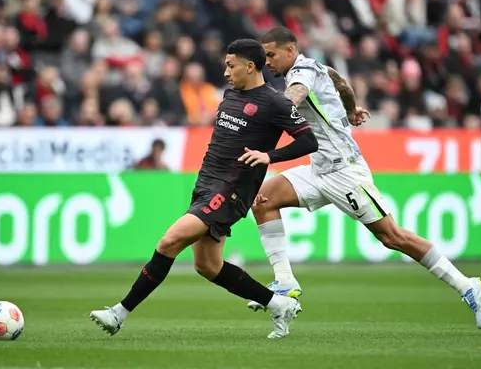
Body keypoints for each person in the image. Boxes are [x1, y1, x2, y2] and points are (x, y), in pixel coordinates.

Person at [244, 26, 481, 329]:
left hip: (345, 172)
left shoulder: (301, 74)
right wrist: (351, 110)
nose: (267, 62)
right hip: (319, 168)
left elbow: (293, 97)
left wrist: (259, 116)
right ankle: (285, 282)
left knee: (392, 237)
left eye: (271, 55)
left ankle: (468, 286)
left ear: (290, 51)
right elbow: (341, 82)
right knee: (263, 200)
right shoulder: (318, 66)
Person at [89, 39, 319, 339]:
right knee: (208, 266)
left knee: (169, 242)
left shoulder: (275, 102)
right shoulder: (230, 94)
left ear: (250, 67)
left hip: (230, 191)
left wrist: (268, 157)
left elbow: (308, 141)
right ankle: (278, 305)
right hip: (206, 184)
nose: (225, 72)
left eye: (230, 65)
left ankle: (119, 313)